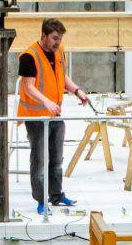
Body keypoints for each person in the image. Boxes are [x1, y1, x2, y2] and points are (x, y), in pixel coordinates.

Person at [17, 17, 92, 216]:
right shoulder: (29, 56)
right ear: (43, 36)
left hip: (55, 114)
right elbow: (28, 86)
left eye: (60, 38)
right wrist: (46, 102)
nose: (58, 42)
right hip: (36, 116)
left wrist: (77, 91)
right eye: (54, 38)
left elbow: (62, 76)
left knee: (56, 159)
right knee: (39, 160)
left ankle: (56, 195)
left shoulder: (59, 52)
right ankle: (41, 200)